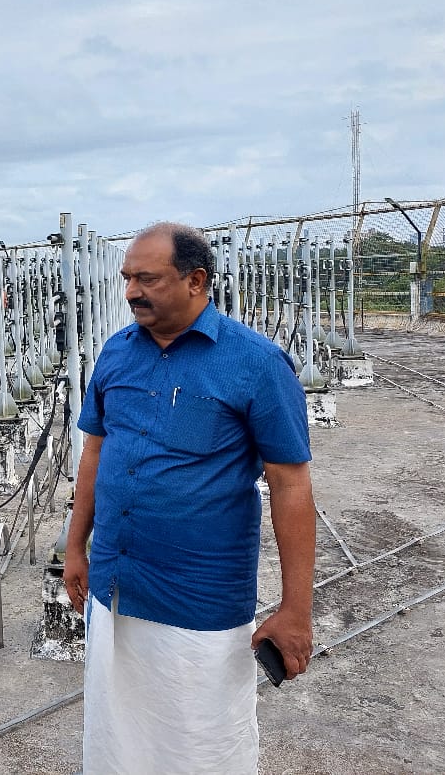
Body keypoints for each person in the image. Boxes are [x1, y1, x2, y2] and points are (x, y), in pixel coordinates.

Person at [63, 223, 316, 774]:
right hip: (116, 583)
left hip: (198, 595)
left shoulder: (256, 363)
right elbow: (94, 455)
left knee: (201, 742)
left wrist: (297, 609)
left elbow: (291, 484)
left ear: (196, 280)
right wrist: (75, 547)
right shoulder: (116, 353)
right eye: (127, 277)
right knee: (117, 731)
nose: (131, 290)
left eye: (147, 278)